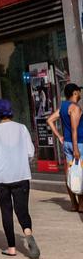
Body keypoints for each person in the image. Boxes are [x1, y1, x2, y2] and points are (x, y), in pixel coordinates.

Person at [0, 99, 39, 259]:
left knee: (6, 211)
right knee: (22, 210)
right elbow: (30, 152)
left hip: (0, 178)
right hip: (21, 175)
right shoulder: (22, 128)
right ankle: (28, 235)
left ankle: (11, 248)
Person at [47, 82, 82, 212]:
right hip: (77, 144)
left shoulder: (63, 107)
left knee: (69, 173)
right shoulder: (75, 108)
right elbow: (74, 129)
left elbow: (49, 120)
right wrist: (76, 149)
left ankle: (74, 204)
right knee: (80, 173)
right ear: (75, 93)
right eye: (79, 91)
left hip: (67, 143)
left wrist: (60, 137)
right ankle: (82, 205)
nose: (80, 93)